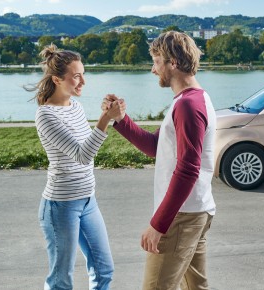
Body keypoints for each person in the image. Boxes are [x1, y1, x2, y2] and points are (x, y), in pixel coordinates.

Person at [103, 31, 216, 290]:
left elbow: (188, 169)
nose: (153, 70)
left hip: (182, 217)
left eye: (156, 62)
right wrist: (121, 119)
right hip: (195, 211)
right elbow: (157, 147)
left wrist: (158, 224)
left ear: (172, 63)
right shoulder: (193, 99)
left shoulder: (188, 105)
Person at [26, 44, 124, 290]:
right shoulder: (45, 116)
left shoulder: (76, 107)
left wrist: (104, 117)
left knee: (104, 270)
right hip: (61, 206)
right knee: (61, 280)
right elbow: (82, 155)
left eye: (83, 73)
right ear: (58, 79)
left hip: (88, 200)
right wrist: (105, 120)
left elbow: (87, 147)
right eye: (77, 76)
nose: (83, 81)